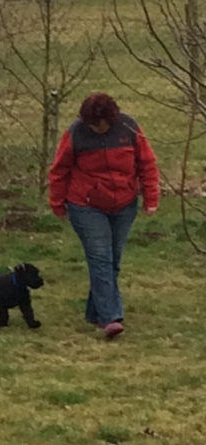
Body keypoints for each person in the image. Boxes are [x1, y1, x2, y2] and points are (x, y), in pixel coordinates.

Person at [48, 92, 159, 338]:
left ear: (112, 119)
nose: (96, 129)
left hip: (124, 203)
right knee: (100, 258)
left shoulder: (129, 127)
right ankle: (111, 318)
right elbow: (59, 170)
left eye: (101, 125)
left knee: (113, 261)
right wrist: (57, 203)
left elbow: (147, 164)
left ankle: (95, 313)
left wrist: (151, 197)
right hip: (85, 204)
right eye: (91, 125)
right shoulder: (75, 133)